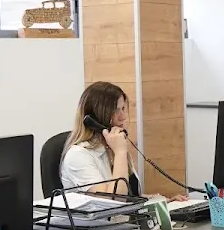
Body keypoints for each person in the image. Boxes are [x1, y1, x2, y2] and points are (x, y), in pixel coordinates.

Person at [60, 81, 188, 201]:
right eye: (116, 111)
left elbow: (130, 196)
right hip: (106, 218)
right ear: (94, 118)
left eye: (123, 109)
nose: (123, 117)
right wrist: (120, 152)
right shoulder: (78, 155)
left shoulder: (112, 147)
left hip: (129, 217)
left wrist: (162, 202)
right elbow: (115, 200)